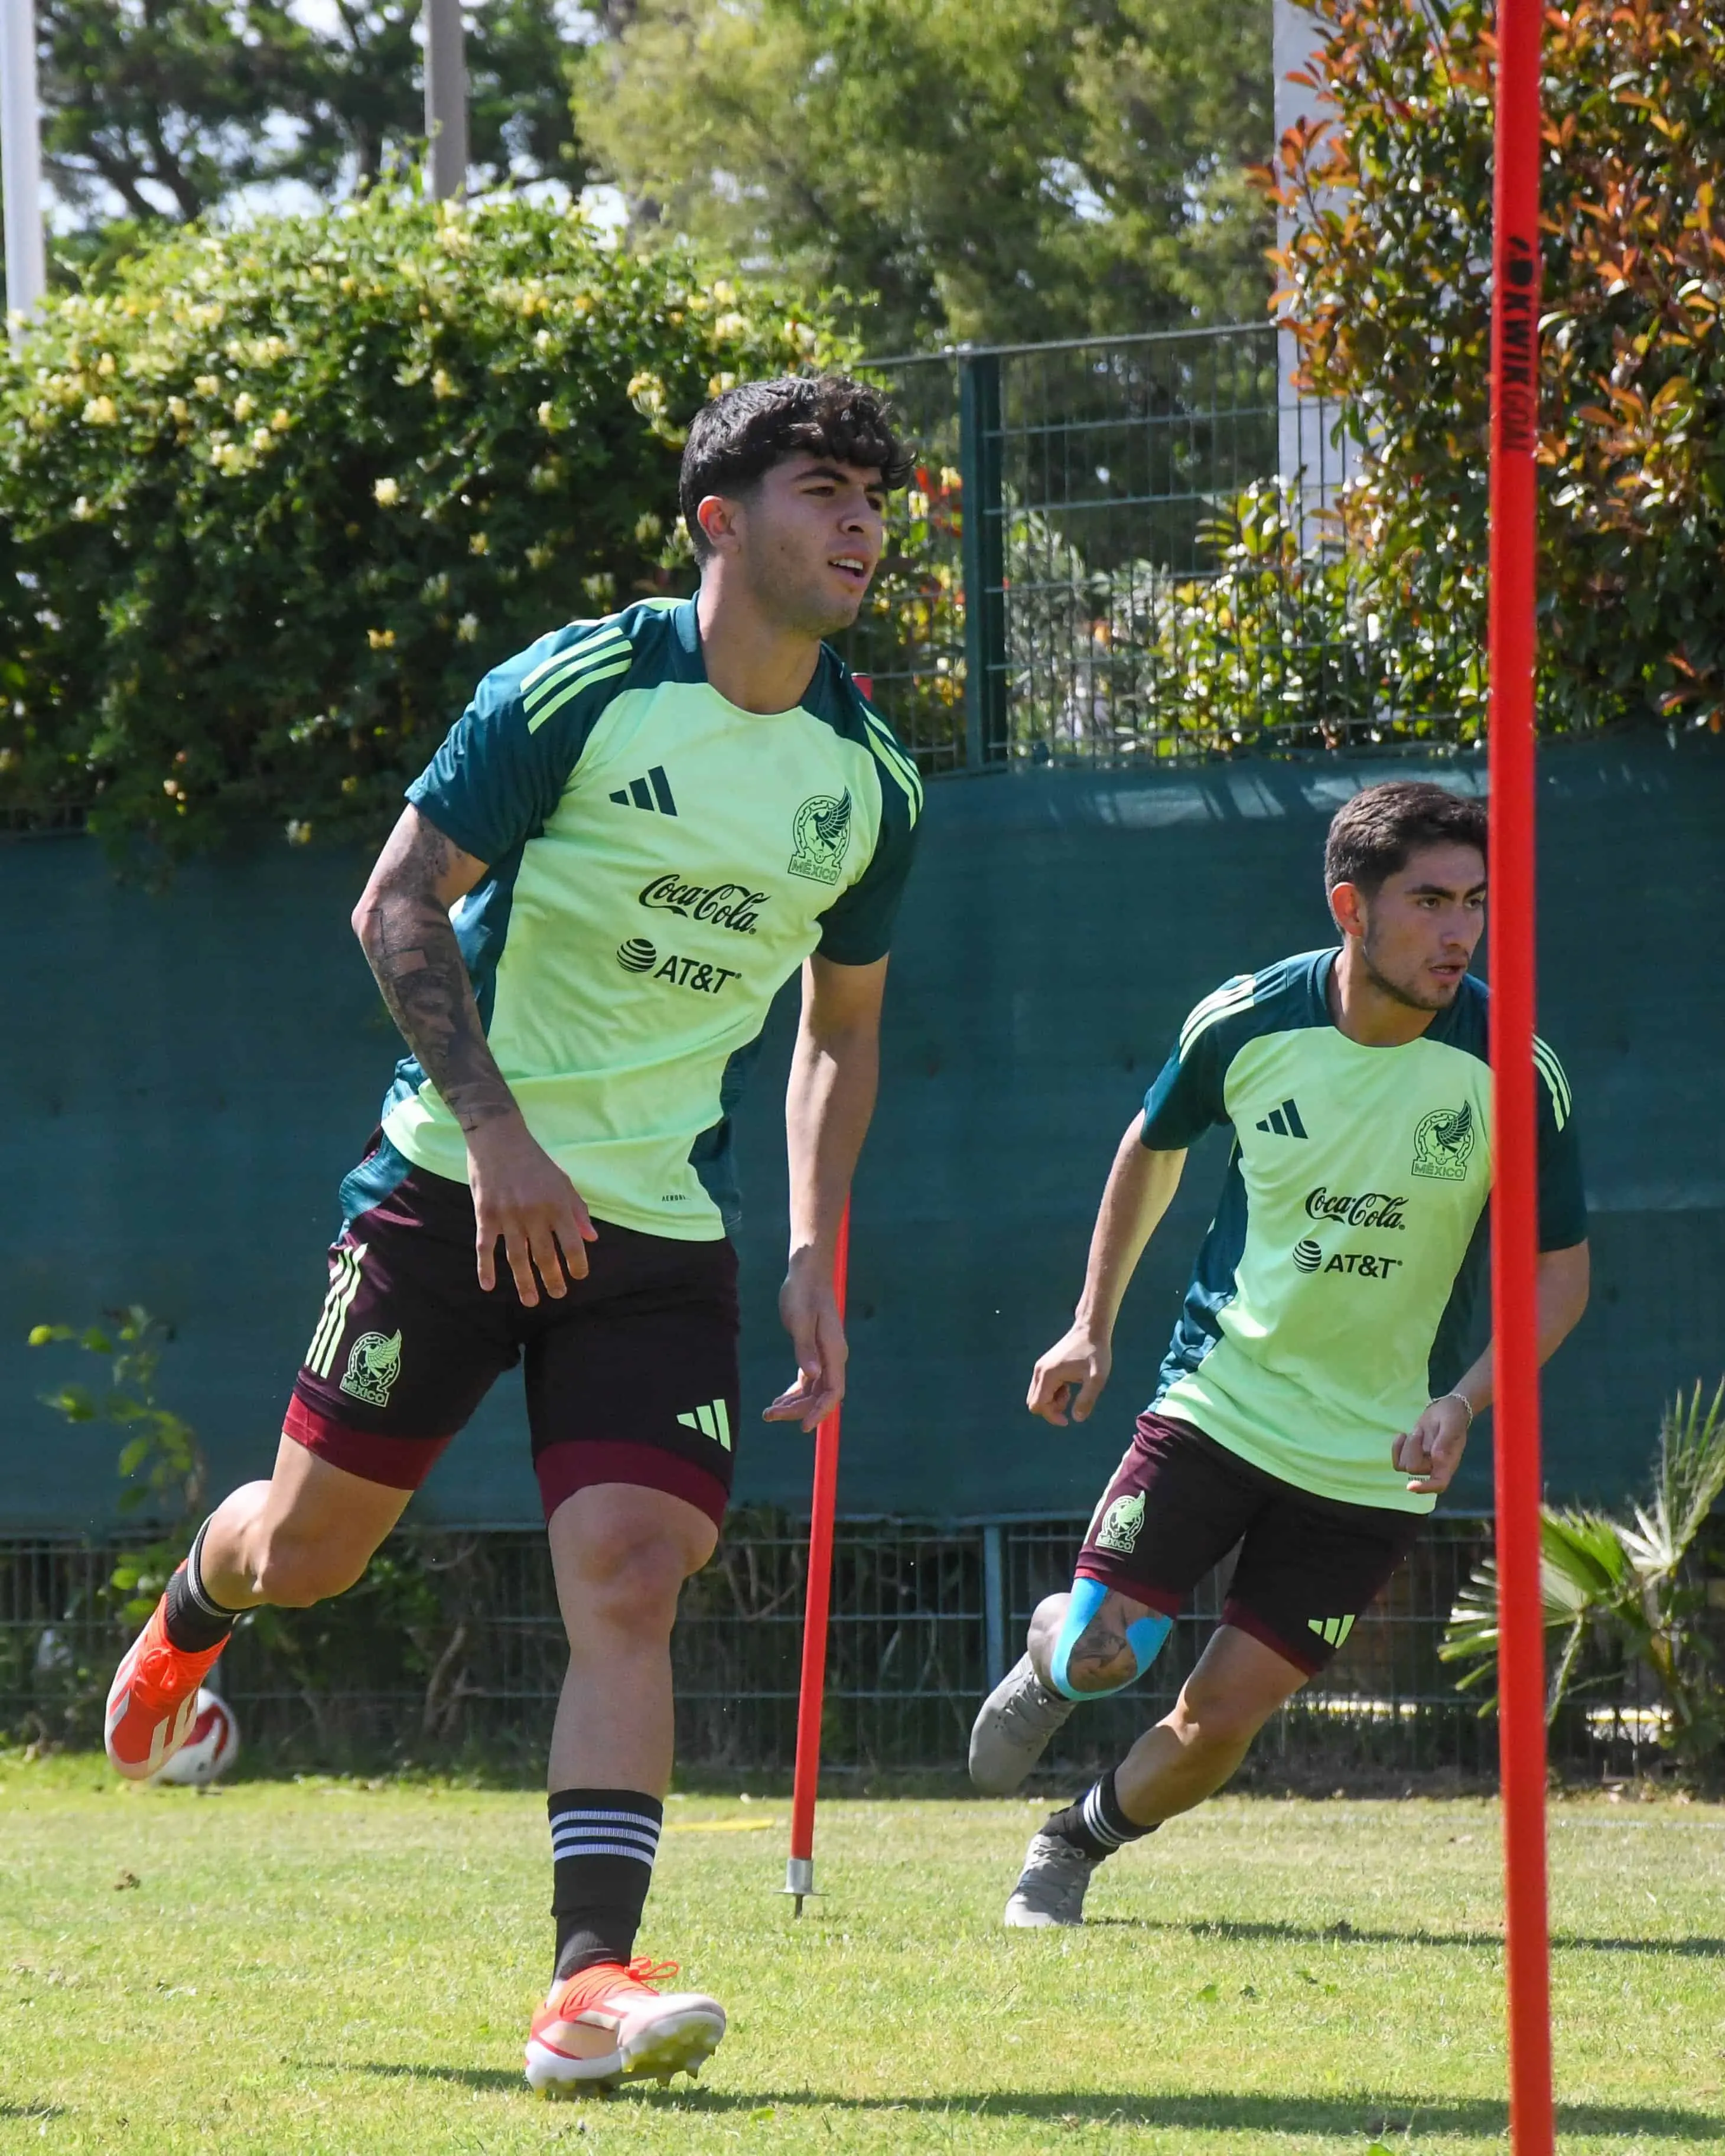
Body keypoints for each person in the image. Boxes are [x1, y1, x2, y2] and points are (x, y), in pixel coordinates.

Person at [103, 374, 922, 2090]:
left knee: (633, 1571)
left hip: (658, 1232)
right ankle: (197, 1605)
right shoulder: (578, 684)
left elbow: (839, 1026)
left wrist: (807, 1248)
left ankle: (585, 1984)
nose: (861, 523)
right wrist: (497, 1137)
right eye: (823, 489)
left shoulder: (870, 781)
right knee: (311, 1556)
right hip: (447, 1192)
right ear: (721, 521)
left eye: (877, 497)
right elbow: (397, 900)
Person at [969, 780, 1589, 1926]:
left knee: (1221, 1718)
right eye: (1428, 903)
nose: (1458, 932)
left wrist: (1461, 1402)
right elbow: (1149, 1149)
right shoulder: (1245, 1021)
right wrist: (1088, 1322)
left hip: (1372, 1460)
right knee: (1106, 1653)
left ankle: (1068, 1843)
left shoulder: (1513, 1065)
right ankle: (1056, 1651)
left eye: (1474, 904)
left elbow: (1559, 1273)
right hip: (1218, 1406)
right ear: (1349, 908)